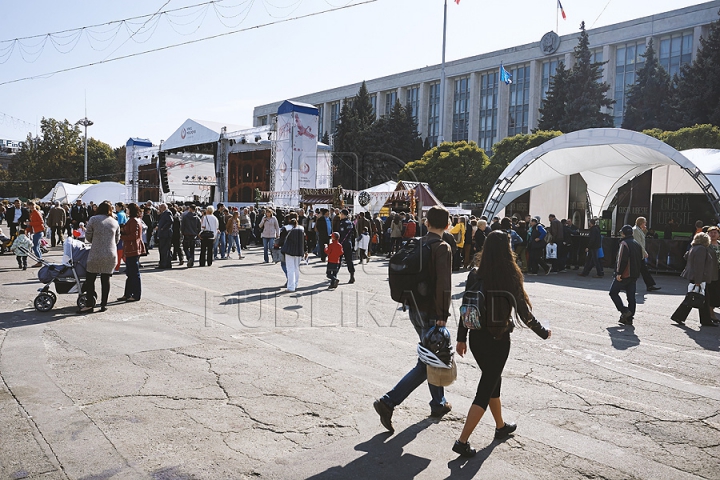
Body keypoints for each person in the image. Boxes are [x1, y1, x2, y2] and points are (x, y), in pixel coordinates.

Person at [452, 230, 552, 457]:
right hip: (498, 339)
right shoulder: (510, 274)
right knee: (486, 387)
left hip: (476, 337)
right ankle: (462, 441)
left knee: (492, 380)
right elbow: (524, 312)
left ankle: (500, 426)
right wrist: (543, 332)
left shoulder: (475, 273)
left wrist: (461, 337)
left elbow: (466, 308)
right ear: (507, 249)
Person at [373, 206, 453, 434]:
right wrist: (442, 316)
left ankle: (438, 403)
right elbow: (443, 286)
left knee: (432, 355)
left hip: (413, 307)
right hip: (430, 311)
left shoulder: (417, 242)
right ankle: (389, 401)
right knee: (427, 360)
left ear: (426, 223)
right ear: (447, 225)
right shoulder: (442, 247)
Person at [671, 232, 719, 327]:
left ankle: (705, 319)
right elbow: (699, 266)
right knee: (694, 297)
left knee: (701, 297)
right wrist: (698, 281)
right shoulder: (701, 249)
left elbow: (686, 257)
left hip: (696, 277)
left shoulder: (694, 247)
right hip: (699, 278)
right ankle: (679, 316)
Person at [81, 201, 120, 313]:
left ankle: (89, 305)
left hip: (96, 253)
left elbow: (88, 237)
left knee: (90, 279)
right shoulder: (115, 222)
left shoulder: (93, 219)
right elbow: (117, 240)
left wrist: (97, 241)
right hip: (110, 253)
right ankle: (103, 305)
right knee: (105, 279)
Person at [610, 225, 643, 326]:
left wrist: (618, 273)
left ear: (623, 233)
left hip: (625, 273)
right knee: (631, 297)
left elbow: (621, 260)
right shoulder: (637, 244)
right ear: (632, 233)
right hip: (634, 274)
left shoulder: (624, 243)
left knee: (613, 292)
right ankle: (630, 318)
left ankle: (624, 311)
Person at [118, 203, 146, 302]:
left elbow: (135, 236)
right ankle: (127, 294)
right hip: (131, 249)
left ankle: (136, 294)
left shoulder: (134, 220)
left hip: (132, 249)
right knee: (130, 273)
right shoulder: (133, 220)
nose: (126, 211)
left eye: (128, 209)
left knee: (134, 273)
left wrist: (122, 237)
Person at [633, 217, 661, 292]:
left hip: (639, 253)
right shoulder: (635, 230)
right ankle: (649, 285)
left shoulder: (638, 230)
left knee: (643, 270)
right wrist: (644, 252)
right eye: (644, 222)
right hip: (637, 253)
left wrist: (645, 231)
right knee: (637, 270)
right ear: (641, 223)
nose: (645, 224)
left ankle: (650, 285)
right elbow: (638, 242)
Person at [281, 219, 306, 292]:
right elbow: (304, 241)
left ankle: (291, 287)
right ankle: (295, 284)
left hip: (289, 250)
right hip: (299, 250)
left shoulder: (286, 228)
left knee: (290, 269)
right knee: (296, 268)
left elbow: (282, 239)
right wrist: (305, 250)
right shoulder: (301, 228)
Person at [337, 209, 356, 284]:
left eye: (341, 214)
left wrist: (339, 244)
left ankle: (334, 276)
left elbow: (341, 235)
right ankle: (352, 275)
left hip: (342, 243)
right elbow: (354, 234)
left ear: (343, 214)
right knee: (349, 260)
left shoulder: (342, 223)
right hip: (349, 243)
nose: (340, 215)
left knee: (338, 260)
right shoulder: (351, 223)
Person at [28, 202, 46, 267]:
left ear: (35, 205)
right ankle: (40, 260)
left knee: (35, 247)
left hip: (39, 231)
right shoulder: (32, 213)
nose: (31, 206)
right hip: (37, 231)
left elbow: (41, 222)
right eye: (30, 205)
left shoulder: (36, 212)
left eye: (33, 205)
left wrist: (31, 223)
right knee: (37, 247)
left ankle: (39, 261)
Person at [155, 204, 173, 269]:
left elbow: (170, 221)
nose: (159, 208)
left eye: (160, 207)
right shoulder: (163, 213)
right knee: (163, 249)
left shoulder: (167, 213)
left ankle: (164, 264)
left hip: (165, 234)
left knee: (164, 249)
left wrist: (163, 228)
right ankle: (166, 263)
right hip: (163, 233)